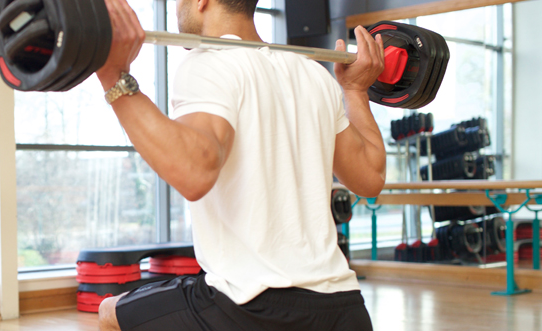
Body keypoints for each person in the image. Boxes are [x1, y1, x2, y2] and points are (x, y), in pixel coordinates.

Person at [95, 0, 386, 330]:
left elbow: (196, 173)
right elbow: (371, 177)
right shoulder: (312, 74)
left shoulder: (207, 63)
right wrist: (356, 90)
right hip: (343, 308)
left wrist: (113, 76)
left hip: (250, 307)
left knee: (110, 313)